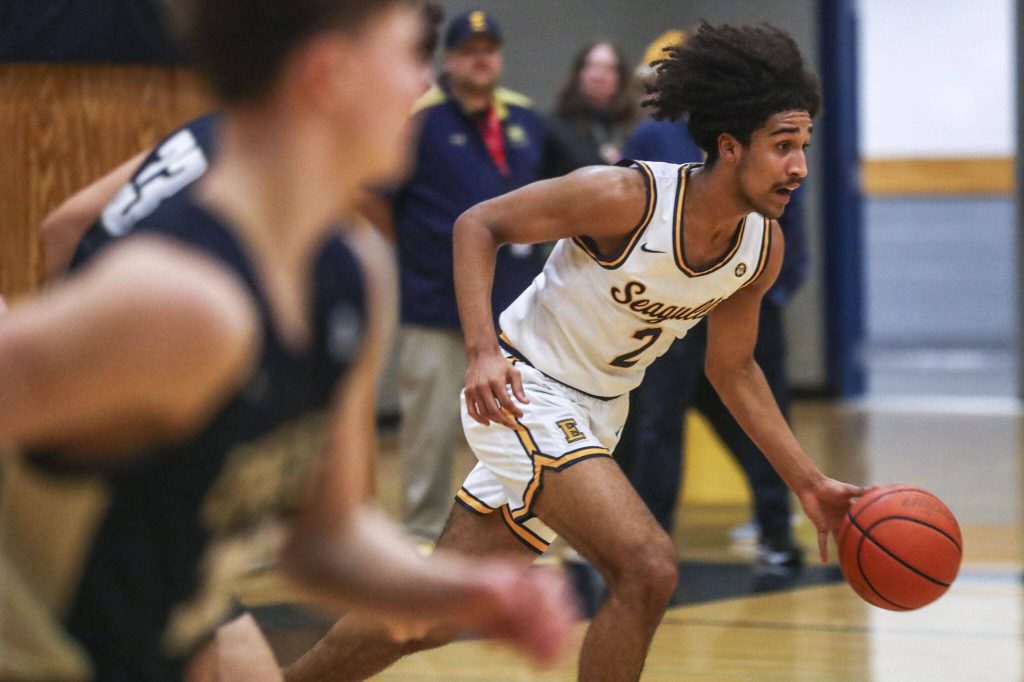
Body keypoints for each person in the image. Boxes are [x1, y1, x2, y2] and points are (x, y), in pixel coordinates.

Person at [0, 1, 575, 679]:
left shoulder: (350, 274)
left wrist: (462, 590)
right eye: (407, 54)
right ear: (327, 73)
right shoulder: (182, 304)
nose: (424, 85)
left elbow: (323, 539)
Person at [284, 21, 868, 682]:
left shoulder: (761, 248)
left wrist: (808, 482)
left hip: (597, 417)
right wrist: (482, 353)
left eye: (805, 147)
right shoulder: (627, 198)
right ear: (730, 148)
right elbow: (478, 224)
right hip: (522, 390)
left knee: (432, 612)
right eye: (783, 146)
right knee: (646, 567)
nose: (799, 167)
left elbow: (732, 368)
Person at [614, 29, 808, 569]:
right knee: (658, 427)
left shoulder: (762, 133)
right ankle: (652, 546)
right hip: (674, 308)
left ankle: (777, 532)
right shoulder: (650, 140)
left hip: (747, 298)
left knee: (759, 418)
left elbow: (793, 210)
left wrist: (781, 285)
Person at [378, 9, 550, 545]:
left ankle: (517, 530)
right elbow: (372, 196)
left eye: (490, 48)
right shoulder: (420, 123)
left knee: (519, 427)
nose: (481, 58)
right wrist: (418, 247)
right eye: (469, 49)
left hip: (512, 310)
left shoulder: (526, 121)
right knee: (428, 428)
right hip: (435, 303)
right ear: (448, 60)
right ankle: (422, 534)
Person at [545, 39, 640, 174]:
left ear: (621, 77)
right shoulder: (554, 127)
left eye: (609, 69)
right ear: (579, 73)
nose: (598, 76)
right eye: (591, 66)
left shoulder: (636, 127)